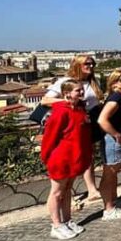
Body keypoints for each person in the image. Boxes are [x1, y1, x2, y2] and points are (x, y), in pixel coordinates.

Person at [41, 54, 103, 201]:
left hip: (88, 120)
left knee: (88, 154)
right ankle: (76, 191)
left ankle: (91, 188)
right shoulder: (66, 82)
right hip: (71, 122)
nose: (91, 66)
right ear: (78, 65)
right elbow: (45, 100)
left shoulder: (93, 81)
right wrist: (70, 102)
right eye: (87, 64)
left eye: (92, 63)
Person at [40, 80, 92, 239]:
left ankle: (67, 220)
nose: (82, 93)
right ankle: (56, 224)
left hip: (73, 156)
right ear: (67, 93)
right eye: (78, 91)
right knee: (56, 192)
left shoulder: (79, 109)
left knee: (68, 189)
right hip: (61, 157)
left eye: (82, 90)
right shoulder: (61, 111)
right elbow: (50, 136)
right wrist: (46, 156)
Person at [97, 69, 121, 221]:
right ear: (113, 83)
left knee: (113, 174)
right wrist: (116, 135)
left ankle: (113, 201)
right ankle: (108, 209)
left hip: (119, 140)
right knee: (109, 175)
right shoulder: (116, 98)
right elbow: (102, 119)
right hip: (113, 141)